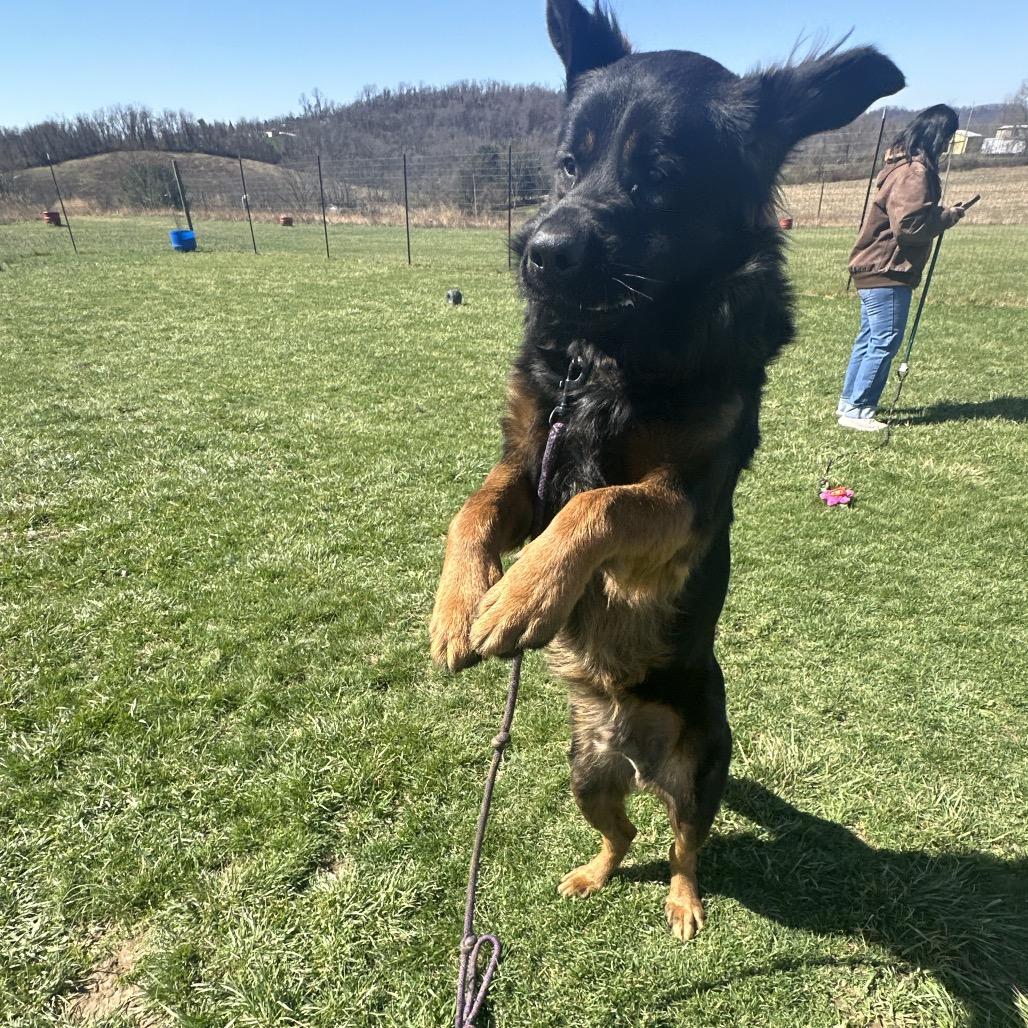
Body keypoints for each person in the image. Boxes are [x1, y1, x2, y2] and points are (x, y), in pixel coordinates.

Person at [837, 105, 968, 431]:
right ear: (939, 135)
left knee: (869, 338)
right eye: (947, 137)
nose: (947, 145)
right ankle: (858, 410)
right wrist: (947, 216)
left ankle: (849, 402)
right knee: (883, 340)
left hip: (873, 265)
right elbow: (908, 226)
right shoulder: (915, 172)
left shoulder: (900, 167)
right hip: (888, 267)